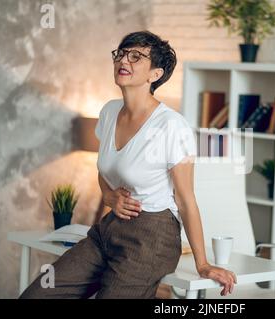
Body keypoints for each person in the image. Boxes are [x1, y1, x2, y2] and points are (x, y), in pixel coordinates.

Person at [19, 30, 237, 299]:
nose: (124, 60)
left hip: (151, 237)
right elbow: (104, 170)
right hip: (108, 231)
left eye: (136, 56)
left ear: (155, 74)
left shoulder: (171, 126)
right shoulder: (109, 111)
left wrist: (202, 264)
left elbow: (186, 200)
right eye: (121, 54)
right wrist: (109, 195)